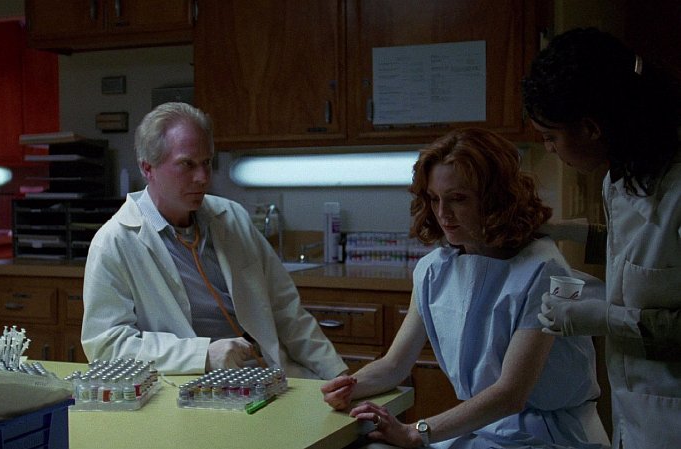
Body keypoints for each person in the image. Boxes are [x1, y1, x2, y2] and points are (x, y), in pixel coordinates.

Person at [320, 128, 609, 448]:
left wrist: (416, 431)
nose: (443, 213)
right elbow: (394, 365)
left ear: (495, 198)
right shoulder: (433, 270)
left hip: (551, 434)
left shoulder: (546, 270)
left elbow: (511, 394)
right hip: (487, 427)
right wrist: (350, 385)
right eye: (434, 199)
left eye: (458, 198)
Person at [81, 102, 347, 379]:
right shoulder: (115, 242)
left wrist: (337, 375)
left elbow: (286, 310)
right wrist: (202, 356)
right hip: (192, 386)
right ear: (148, 168)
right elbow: (106, 347)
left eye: (207, 163)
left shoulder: (232, 217)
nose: (202, 178)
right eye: (187, 164)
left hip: (267, 377)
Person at [522, 27, 681, 449]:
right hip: (639, 415)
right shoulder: (624, 177)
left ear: (591, 127)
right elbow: (647, 252)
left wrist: (604, 319)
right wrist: (566, 230)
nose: (549, 149)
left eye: (551, 137)